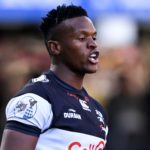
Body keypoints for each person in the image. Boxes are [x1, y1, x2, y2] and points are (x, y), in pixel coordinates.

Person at [0, 4, 108, 150]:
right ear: (55, 47)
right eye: (82, 38)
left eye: (94, 37)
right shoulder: (36, 98)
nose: (93, 44)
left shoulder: (98, 110)